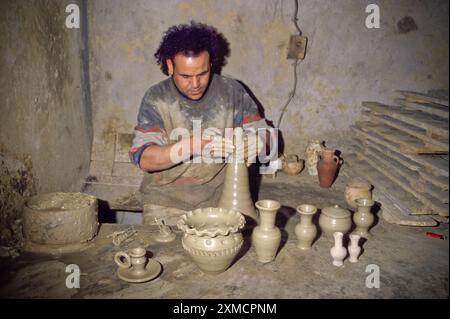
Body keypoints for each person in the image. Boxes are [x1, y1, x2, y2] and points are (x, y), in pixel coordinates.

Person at [129, 21, 273, 225]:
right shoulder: (157, 98)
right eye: (186, 76)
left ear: (211, 63)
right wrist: (191, 146)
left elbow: (267, 137)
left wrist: (261, 141)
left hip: (220, 200)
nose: (195, 84)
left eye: (202, 74)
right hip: (166, 203)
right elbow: (144, 158)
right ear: (170, 65)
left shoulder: (232, 91)